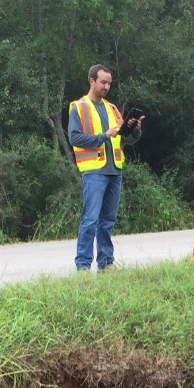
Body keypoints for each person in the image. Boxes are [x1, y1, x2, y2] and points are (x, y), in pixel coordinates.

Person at [68, 64, 143, 272]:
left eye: (109, 83)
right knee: (90, 220)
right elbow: (74, 137)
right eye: (103, 82)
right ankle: (82, 265)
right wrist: (103, 136)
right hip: (94, 171)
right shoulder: (79, 107)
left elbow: (124, 139)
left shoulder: (112, 108)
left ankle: (106, 263)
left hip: (114, 170)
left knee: (107, 220)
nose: (106, 86)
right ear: (91, 81)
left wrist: (135, 131)